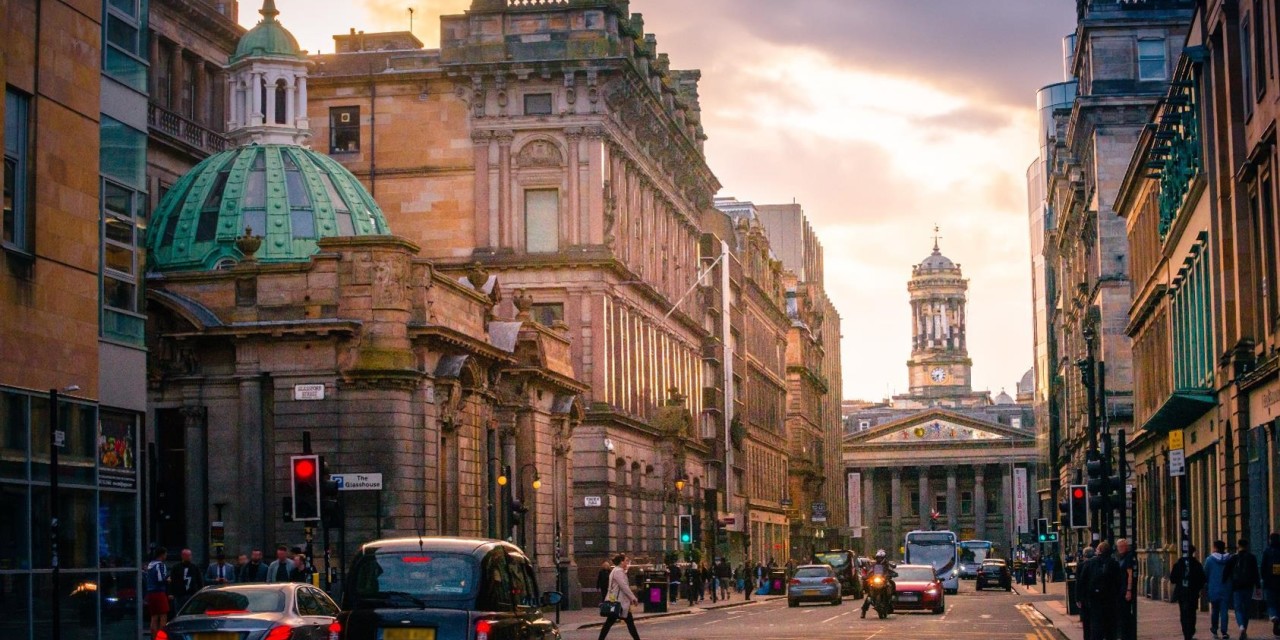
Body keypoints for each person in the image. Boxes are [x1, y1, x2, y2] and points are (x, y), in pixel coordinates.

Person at [1077, 541, 1121, 640]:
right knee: (1110, 627)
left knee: (1096, 626)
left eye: (1097, 549)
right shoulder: (1114, 563)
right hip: (1110, 600)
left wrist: (1080, 598)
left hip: (1094, 600)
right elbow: (1118, 582)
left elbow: (1082, 582)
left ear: (1099, 551)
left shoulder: (1089, 563)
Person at [598, 554, 642, 640]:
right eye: (626, 561)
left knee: (612, 623)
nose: (627, 562)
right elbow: (624, 586)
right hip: (619, 602)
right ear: (622, 562)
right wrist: (633, 598)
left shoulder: (616, 570)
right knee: (628, 623)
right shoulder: (618, 571)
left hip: (616, 601)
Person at [1171, 545, 1208, 640]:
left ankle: (1186, 633)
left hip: (1182, 593)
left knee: (1183, 613)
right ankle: (1190, 632)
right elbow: (1202, 579)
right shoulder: (1197, 564)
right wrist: (1197, 588)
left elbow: (1172, 579)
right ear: (1193, 552)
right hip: (1193, 594)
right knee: (1192, 613)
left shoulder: (1179, 564)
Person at [1227, 538, 1261, 640]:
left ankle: (1241, 626)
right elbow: (1255, 573)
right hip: (1248, 586)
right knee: (1246, 609)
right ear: (1247, 546)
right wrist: (1258, 586)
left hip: (1236, 586)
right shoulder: (1252, 557)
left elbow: (1227, 572)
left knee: (1238, 608)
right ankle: (1244, 629)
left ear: (1238, 546)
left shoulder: (1233, 558)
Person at [1205, 540, 1233, 640]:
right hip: (1226, 588)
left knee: (1215, 610)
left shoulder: (1209, 560)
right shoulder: (1229, 559)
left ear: (1215, 547)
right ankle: (1224, 632)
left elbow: (1206, 574)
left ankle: (1214, 629)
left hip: (1213, 589)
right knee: (1224, 611)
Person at [861, 549, 897, 619]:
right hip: (876, 580)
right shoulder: (874, 565)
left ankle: (892, 600)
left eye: (881, 558)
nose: (879, 559)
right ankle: (863, 611)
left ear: (884, 558)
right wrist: (866, 576)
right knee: (869, 596)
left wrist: (892, 574)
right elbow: (870, 571)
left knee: (892, 584)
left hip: (884, 580)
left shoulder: (887, 564)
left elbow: (892, 570)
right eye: (878, 557)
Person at [144, 547, 170, 637]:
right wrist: (167, 579)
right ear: (162, 555)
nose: (166, 556)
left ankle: (154, 636)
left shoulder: (150, 565)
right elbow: (160, 579)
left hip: (150, 593)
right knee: (163, 616)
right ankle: (161, 637)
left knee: (154, 617)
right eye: (165, 554)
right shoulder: (160, 565)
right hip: (159, 593)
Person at [169, 548, 205, 613]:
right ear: (183, 556)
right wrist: (171, 593)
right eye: (188, 555)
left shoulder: (194, 567)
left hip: (192, 594)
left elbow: (199, 580)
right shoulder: (176, 567)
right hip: (180, 594)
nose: (189, 557)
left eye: (190, 555)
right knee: (179, 611)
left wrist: (200, 591)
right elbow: (172, 580)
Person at [1116, 539, 1137, 640]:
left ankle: (1127, 635)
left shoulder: (1128, 557)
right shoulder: (1121, 557)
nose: (1120, 548)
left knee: (1126, 613)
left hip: (1125, 590)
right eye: (1119, 546)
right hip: (1121, 589)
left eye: (1122, 546)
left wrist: (1129, 590)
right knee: (1122, 613)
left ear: (1126, 546)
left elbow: (1130, 575)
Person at [1260, 533, 1280, 638]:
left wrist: (1264, 578)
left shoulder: (1267, 551)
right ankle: (1277, 625)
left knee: (1271, 602)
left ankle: (1273, 615)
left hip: (1270, 581)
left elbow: (1263, 567)